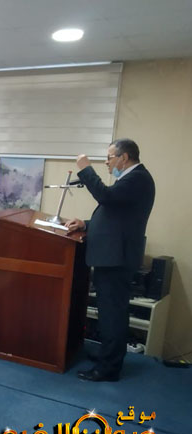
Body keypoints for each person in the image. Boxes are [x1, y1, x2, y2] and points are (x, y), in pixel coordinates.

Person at [65, 139, 155, 382]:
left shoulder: (137, 178)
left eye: (109, 157)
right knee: (109, 312)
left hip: (117, 258)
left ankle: (109, 368)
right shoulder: (131, 178)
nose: (106, 162)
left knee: (112, 313)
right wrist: (85, 224)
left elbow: (105, 197)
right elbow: (115, 216)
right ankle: (108, 356)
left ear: (124, 157)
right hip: (113, 255)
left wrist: (85, 169)